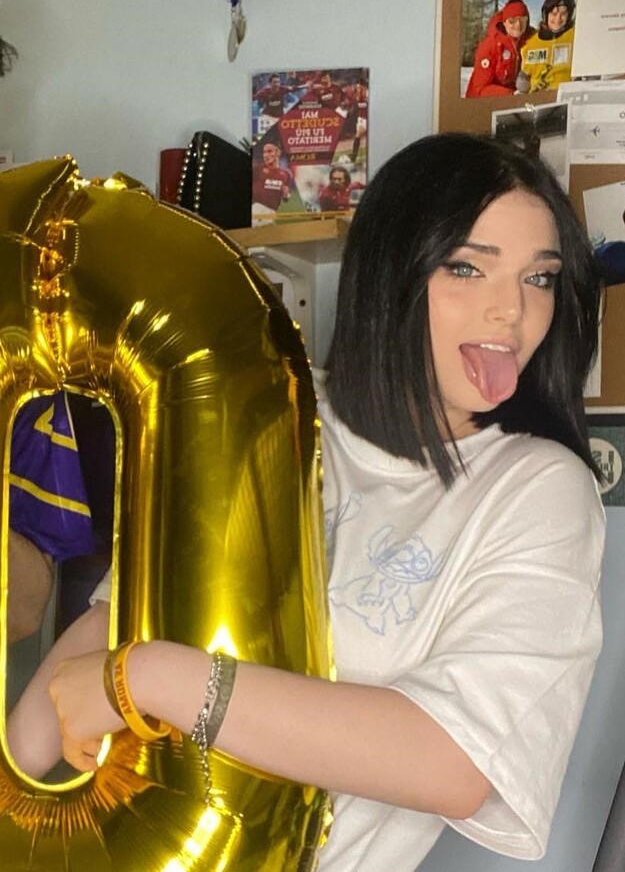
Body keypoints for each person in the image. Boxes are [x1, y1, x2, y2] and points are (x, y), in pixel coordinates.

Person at [8, 134, 605, 872]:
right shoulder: (272, 410)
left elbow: (451, 761)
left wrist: (150, 678)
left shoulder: (538, 489)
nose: (511, 311)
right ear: (390, 271)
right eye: (465, 267)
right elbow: (104, 635)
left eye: (539, 278)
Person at [465, 0, 533, 98]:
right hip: (483, 100)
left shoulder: (530, 42)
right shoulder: (490, 45)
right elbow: (480, 88)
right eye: (512, 21)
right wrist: (511, 95)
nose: (518, 25)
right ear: (504, 22)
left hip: (516, 98)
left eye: (522, 20)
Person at [517, 0, 576, 93]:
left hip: (564, 93)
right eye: (554, 13)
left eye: (563, 14)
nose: (558, 19)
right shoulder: (532, 44)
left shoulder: (575, 37)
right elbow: (524, 79)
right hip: (537, 96)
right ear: (546, 15)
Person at [251, 140, 293, 217]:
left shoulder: (286, 174)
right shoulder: (257, 169)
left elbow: (286, 198)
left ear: (278, 152)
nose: (266, 155)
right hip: (256, 209)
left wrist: (286, 194)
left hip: (272, 213)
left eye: (269, 151)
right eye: (264, 152)